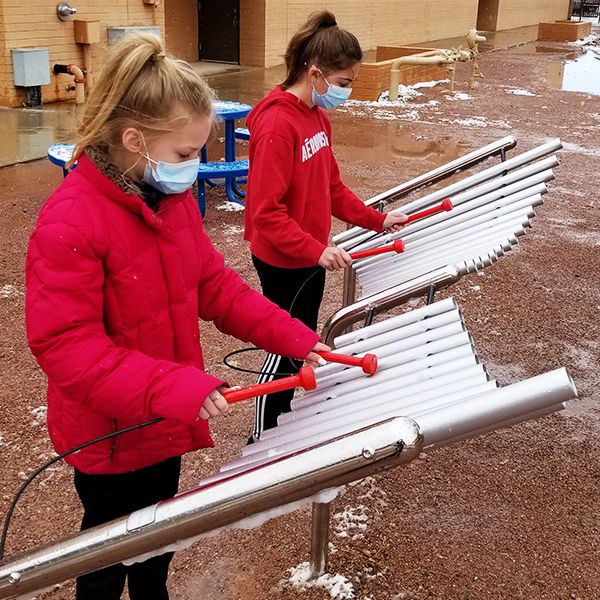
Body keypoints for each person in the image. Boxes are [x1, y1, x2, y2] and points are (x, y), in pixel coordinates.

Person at [25, 33, 328, 600]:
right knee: (107, 547)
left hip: (163, 419)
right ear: (134, 140)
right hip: (110, 434)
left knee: (158, 538)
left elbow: (213, 285)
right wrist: (172, 385)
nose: (193, 167)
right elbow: (66, 346)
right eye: (186, 155)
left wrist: (295, 336)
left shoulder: (168, 198)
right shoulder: (70, 223)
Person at [243, 10, 408, 440]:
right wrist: (314, 249)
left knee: (303, 343)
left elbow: (331, 187)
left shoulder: (317, 115)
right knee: (286, 347)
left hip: (308, 254)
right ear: (315, 73)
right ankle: (264, 435)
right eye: (344, 82)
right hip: (283, 259)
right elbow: (265, 212)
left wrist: (377, 219)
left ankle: (283, 421)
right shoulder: (278, 124)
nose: (347, 92)